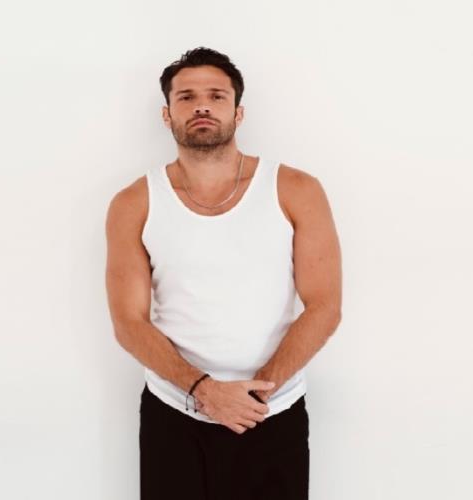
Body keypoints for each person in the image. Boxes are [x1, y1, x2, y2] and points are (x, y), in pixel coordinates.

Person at [105, 47, 343, 500]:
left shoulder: (296, 190)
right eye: (186, 97)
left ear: (238, 111)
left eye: (216, 96)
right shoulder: (134, 202)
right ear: (166, 114)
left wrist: (255, 397)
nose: (202, 106)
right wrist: (204, 391)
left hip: (272, 410)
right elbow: (128, 322)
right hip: (175, 411)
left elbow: (324, 306)